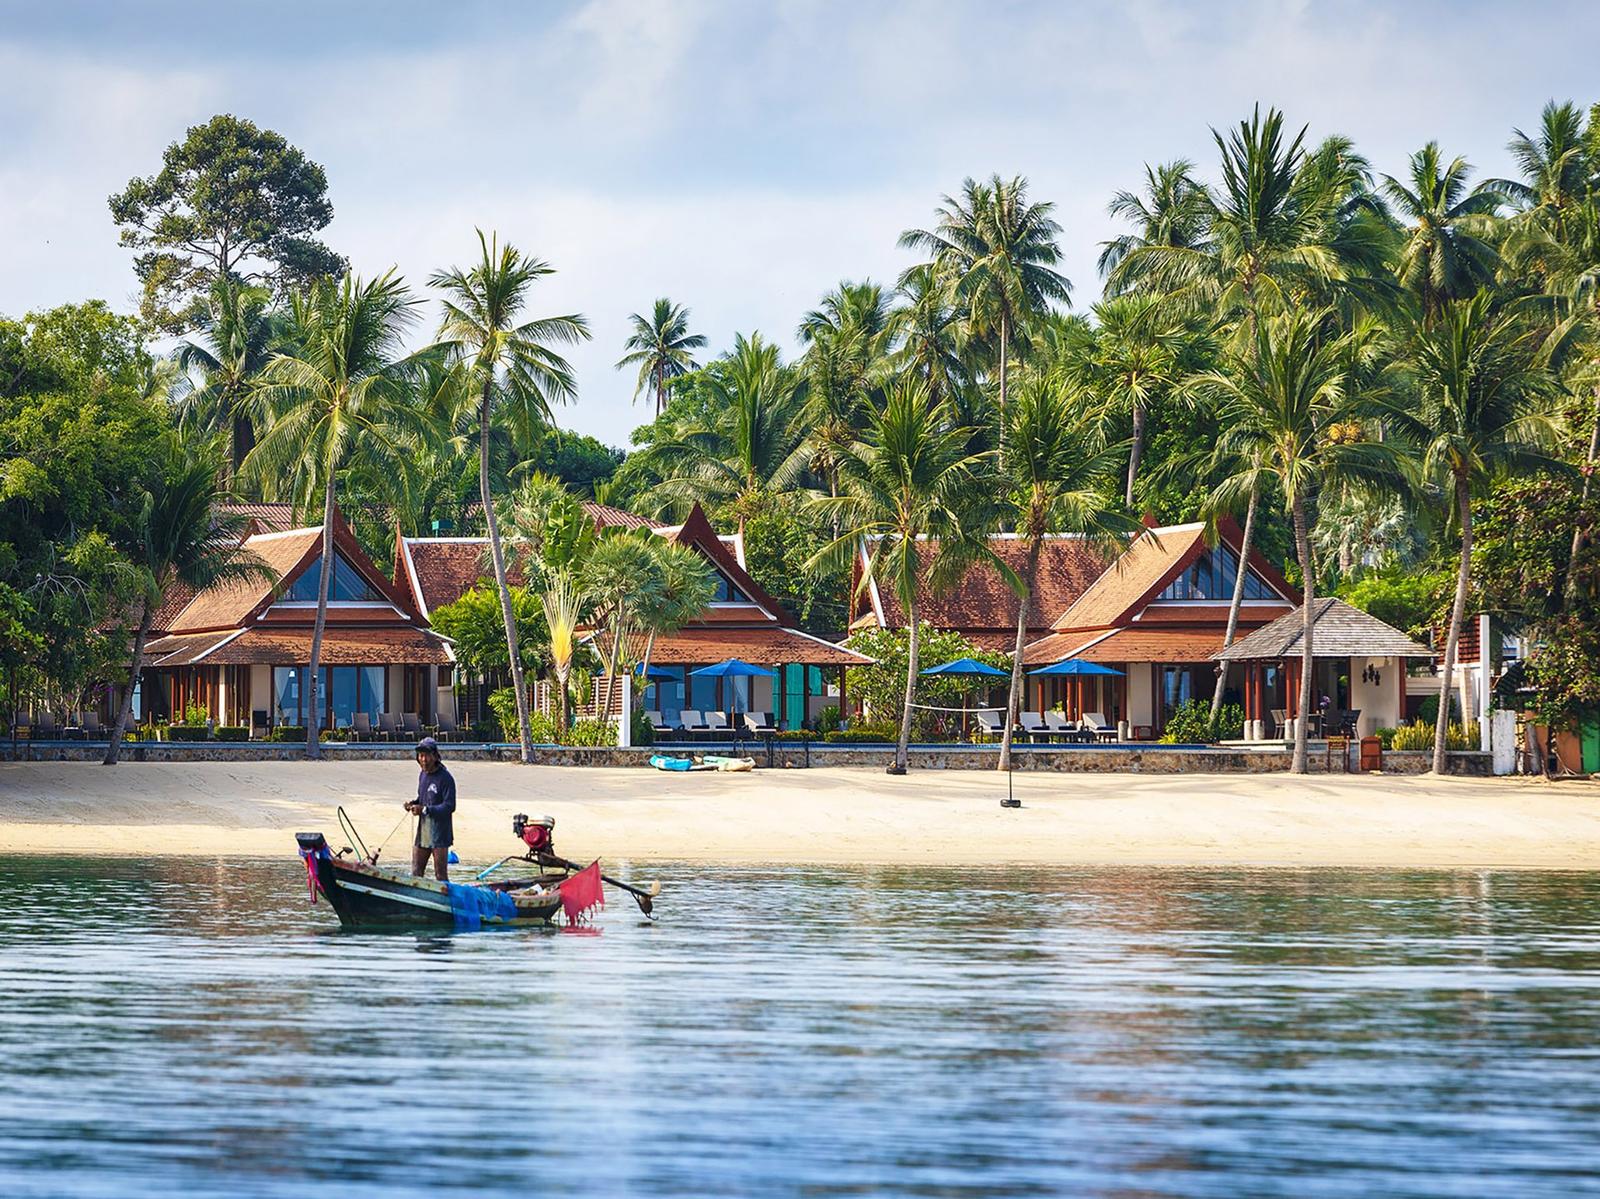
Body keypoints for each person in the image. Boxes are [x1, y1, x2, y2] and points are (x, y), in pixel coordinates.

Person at [407, 736, 456, 880]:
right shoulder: (422, 775)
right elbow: (422, 798)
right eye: (421, 756)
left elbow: (449, 806)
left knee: (440, 875)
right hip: (424, 830)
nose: (423, 760)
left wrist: (424, 810)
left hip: (440, 833)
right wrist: (413, 804)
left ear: (435, 756)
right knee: (416, 872)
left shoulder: (445, 778)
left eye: (427, 756)